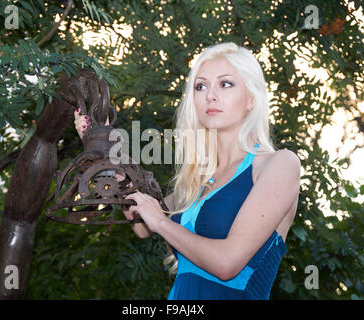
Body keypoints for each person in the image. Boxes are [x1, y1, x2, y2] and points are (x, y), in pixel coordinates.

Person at [74, 42, 301, 300]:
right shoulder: (196, 181)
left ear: (251, 99)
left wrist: (161, 221)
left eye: (225, 84)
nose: (210, 95)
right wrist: (103, 142)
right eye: (200, 86)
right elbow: (141, 223)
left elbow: (227, 263)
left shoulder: (279, 164)